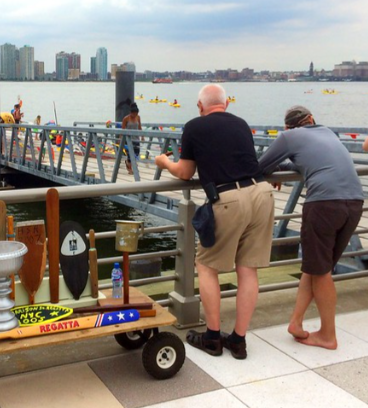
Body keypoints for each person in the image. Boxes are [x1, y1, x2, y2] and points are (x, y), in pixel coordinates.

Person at [155, 84, 274, 359]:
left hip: (230, 197)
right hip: (262, 193)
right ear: (226, 104)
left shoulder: (194, 126)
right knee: (248, 269)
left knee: (206, 266)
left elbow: (185, 172)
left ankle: (212, 337)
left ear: (200, 106)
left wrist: (164, 162)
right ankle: (238, 340)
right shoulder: (241, 124)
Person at [259, 105, 364, 350]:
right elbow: (304, 164)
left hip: (325, 204)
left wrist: (271, 172)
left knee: (321, 271)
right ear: (312, 119)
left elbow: (258, 166)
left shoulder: (289, 137)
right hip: (355, 202)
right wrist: (279, 169)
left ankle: (328, 335)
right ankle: (295, 322)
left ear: (287, 127)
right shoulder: (328, 133)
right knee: (318, 267)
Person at [121, 102, 143, 174]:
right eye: (133, 113)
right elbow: (122, 130)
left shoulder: (138, 117)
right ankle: (130, 169)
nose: (135, 115)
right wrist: (121, 140)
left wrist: (142, 136)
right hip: (128, 140)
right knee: (130, 155)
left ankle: (128, 163)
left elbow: (139, 127)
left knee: (136, 154)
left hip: (136, 139)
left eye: (136, 113)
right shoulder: (126, 119)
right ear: (131, 112)